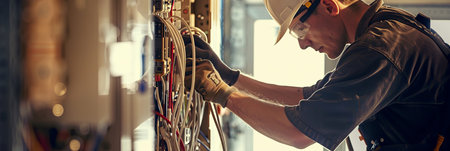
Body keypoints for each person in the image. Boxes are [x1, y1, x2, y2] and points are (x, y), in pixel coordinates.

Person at [183, 0, 450, 150]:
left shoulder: (381, 48)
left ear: (329, 6)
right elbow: (305, 97)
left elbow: (298, 133)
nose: (302, 43)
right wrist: (230, 78)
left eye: (300, 29)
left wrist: (220, 92)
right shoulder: (385, 29)